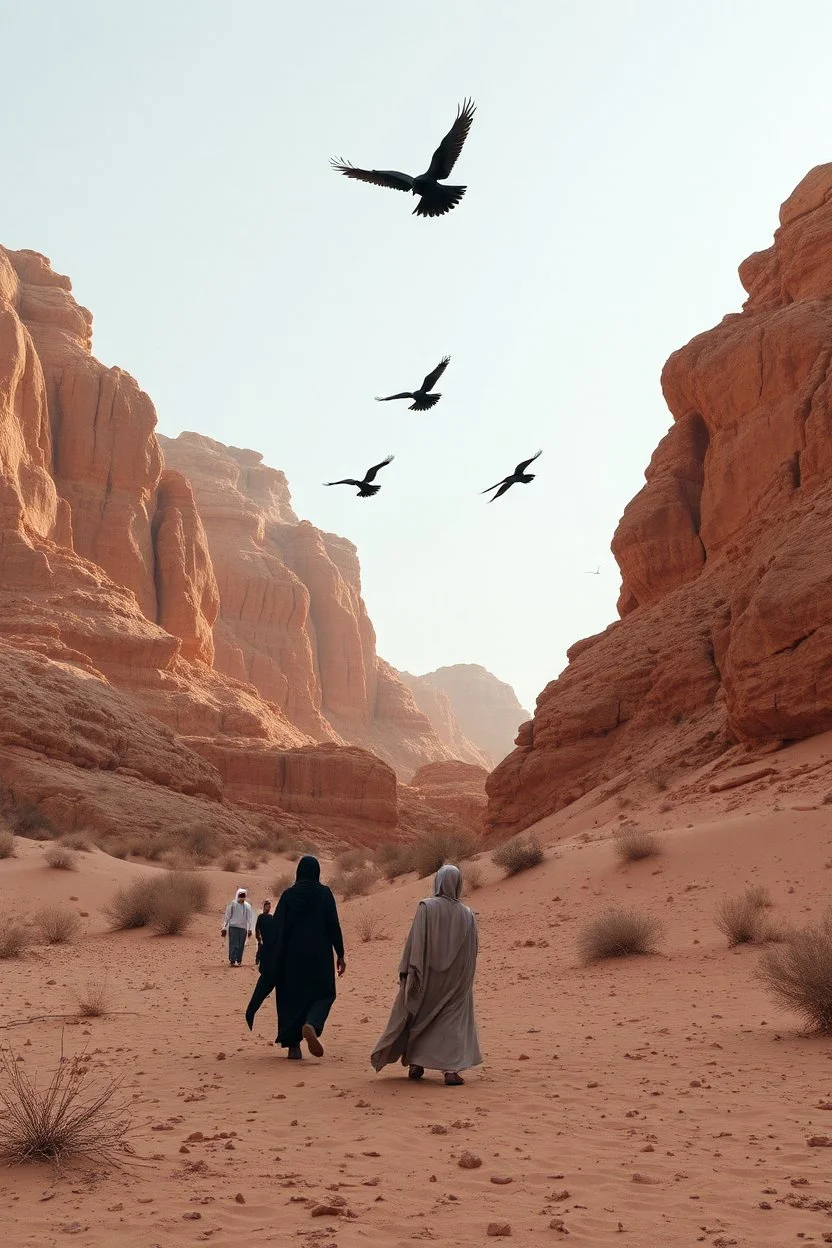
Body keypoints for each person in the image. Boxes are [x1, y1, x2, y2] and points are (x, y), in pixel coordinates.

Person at [371, 864, 481, 1086]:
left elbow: (415, 943)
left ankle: (416, 1063)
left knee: (420, 1016)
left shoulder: (426, 908)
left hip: (427, 976)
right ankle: (450, 1070)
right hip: (455, 981)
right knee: (452, 1021)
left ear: (438, 881)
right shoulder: (467, 915)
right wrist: (464, 981)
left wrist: (408, 971)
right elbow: (472, 951)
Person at [245, 856, 346, 1060]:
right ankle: (312, 1024)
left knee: (291, 998)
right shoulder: (325, 894)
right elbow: (333, 925)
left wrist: (270, 957)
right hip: (319, 957)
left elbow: (277, 930)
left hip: (291, 959)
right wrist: (341, 954)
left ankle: (293, 1047)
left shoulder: (288, 896)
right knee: (324, 994)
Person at [221, 886, 254, 967]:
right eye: (241, 895)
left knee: (241, 945)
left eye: (243, 896)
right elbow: (227, 917)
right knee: (234, 944)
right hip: (233, 927)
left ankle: (238, 960)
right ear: (237, 895)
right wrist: (224, 927)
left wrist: (250, 929)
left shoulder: (247, 906)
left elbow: (249, 918)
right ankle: (233, 960)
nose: (242, 898)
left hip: (243, 928)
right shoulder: (232, 904)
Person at [254, 898, 273, 968]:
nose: (268, 908)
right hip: (262, 936)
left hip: (269, 936)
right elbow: (257, 928)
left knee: (267, 949)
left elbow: (273, 927)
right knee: (260, 948)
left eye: (269, 906)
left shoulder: (271, 917)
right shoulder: (260, 917)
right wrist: (258, 936)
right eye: (267, 906)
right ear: (264, 907)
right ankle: (257, 959)